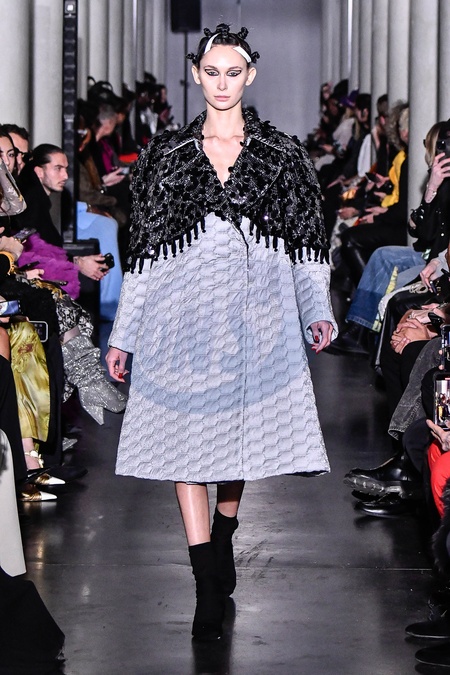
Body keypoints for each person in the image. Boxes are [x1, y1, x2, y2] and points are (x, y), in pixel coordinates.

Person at [106, 24, 336, 641]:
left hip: (257, 321)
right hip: (177, 322)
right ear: (196, 74)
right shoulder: (166, 157)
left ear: (249, 75)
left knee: (236, 439)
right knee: (186, 444)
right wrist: (124, 334)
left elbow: (307, 247)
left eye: (234, 72)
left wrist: (316, 310)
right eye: (212, 72)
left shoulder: (282, 157)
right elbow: (144, 257)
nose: (223, 83)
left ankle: (226, 530)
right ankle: (205, 577)